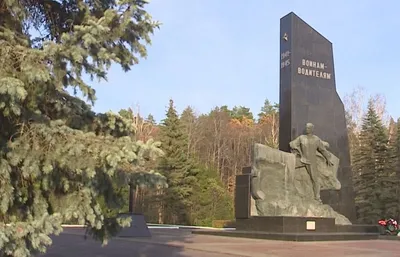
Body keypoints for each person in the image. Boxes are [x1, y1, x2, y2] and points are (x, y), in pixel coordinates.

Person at [289, 123, 333, 202]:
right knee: (290, 166)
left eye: (309, 128)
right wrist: (297, 150)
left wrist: (328, 159)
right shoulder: (301, 138)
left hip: (312, 163)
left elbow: (323, 150)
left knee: (315, 180)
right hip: (302, 160)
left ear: (312, 129)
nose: (307, 129)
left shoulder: (316, 139)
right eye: (306, 128)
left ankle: (317, 197)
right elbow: (292, 144)